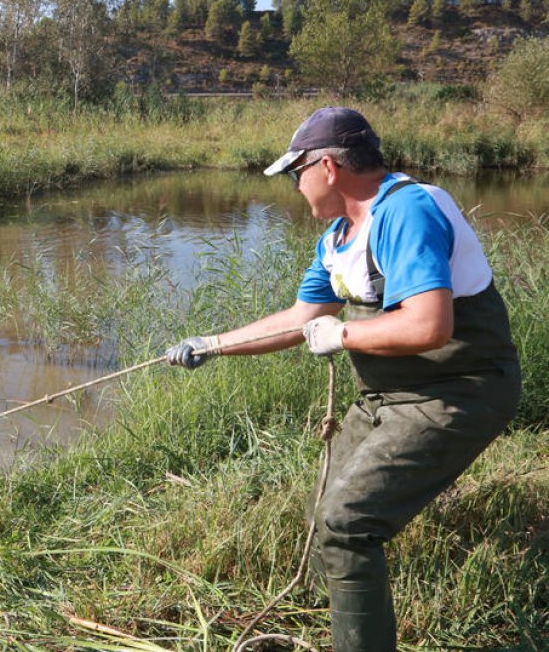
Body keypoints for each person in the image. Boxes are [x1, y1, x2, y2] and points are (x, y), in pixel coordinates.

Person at [165, 107, 520, 651]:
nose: (295, 186)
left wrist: (345, 336)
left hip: (458, 392)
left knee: (348, 522)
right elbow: (302, 319)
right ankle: (328, 615)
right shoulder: (338, 237)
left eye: (294, 173)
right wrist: (214, 345)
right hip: (387, 394)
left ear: (326, 167)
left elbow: (429, 324)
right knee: (323, 511)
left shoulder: (407, 211)